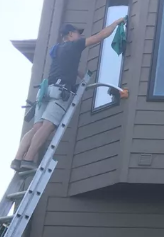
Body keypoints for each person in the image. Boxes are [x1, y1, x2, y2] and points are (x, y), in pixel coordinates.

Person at [11, 18, 126, 170]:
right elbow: (99, 36)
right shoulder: (75, 45)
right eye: (78, 33)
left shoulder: (57, 49)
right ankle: (28, 160)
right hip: (60, 91)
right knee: (47, 126)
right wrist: (116, 23)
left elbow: (65, 67)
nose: (80, 36)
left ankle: (18, 159)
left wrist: (81, 75)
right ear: (71, 34)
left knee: (36, 128)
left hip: (45, 90)